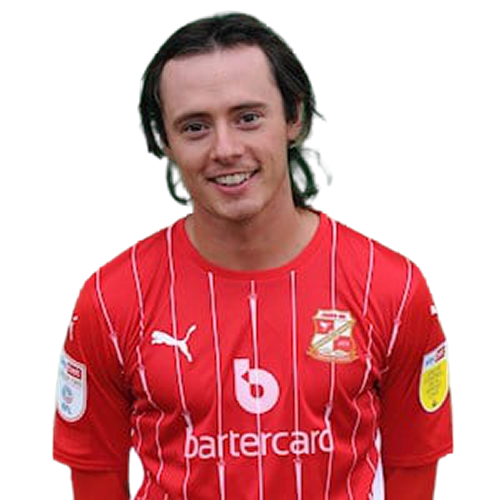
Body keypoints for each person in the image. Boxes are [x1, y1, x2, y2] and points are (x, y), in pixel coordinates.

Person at [52, 10, 454, 499]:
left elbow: (413, 468)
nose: (225, 148)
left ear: (294, 117)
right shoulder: (110, 298)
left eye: (247, 117)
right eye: (195, 127)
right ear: (164, 142)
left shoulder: (392, 286)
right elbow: (95, 476)